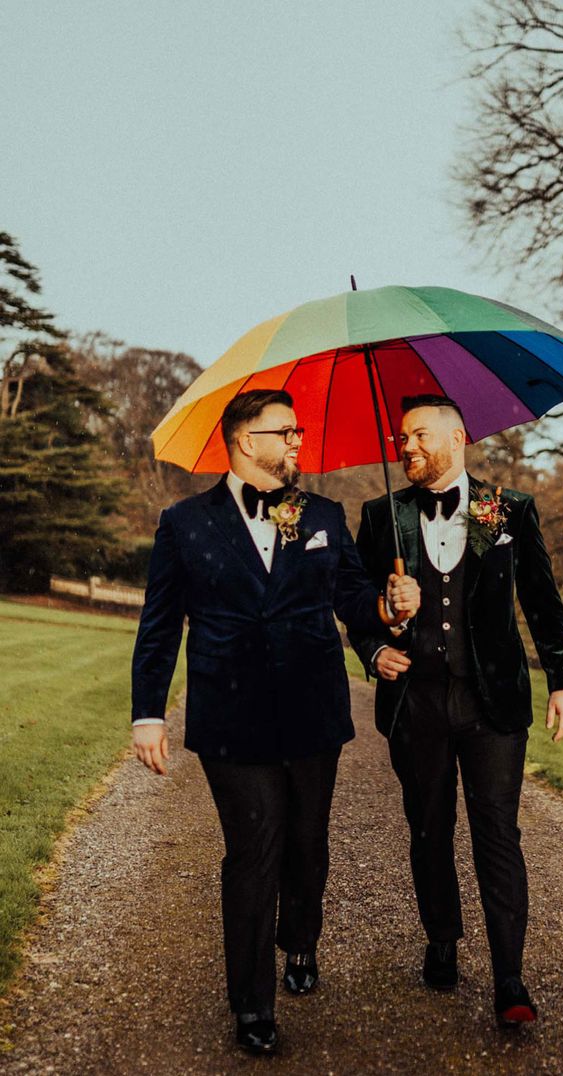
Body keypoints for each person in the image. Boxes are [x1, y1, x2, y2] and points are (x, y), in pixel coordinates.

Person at [131, 388, 419, 1056]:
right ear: (242, 440)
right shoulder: (184, 524)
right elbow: (158, 627)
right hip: (229, 717)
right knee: (253, 851)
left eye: (297, 432)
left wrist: (389, 605)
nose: (297, 442)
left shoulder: (319, 513)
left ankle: (303, 939)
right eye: (284, 431)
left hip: (312, 710)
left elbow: (351, 596)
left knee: (306, 844)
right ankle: (252, 1005)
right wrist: (148, 713)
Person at [348, 394, 563, 1027]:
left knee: (498, 833)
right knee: (428, 826)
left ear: (457, 438)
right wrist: (378, 639)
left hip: (492, 705)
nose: (407, 447)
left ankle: (510, 978)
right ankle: (442, 938)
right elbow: (355, 606)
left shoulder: (507, 509)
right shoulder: (381, 517)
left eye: (419, 435)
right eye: (401, 438)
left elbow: (542, 599)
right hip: (414, 703)